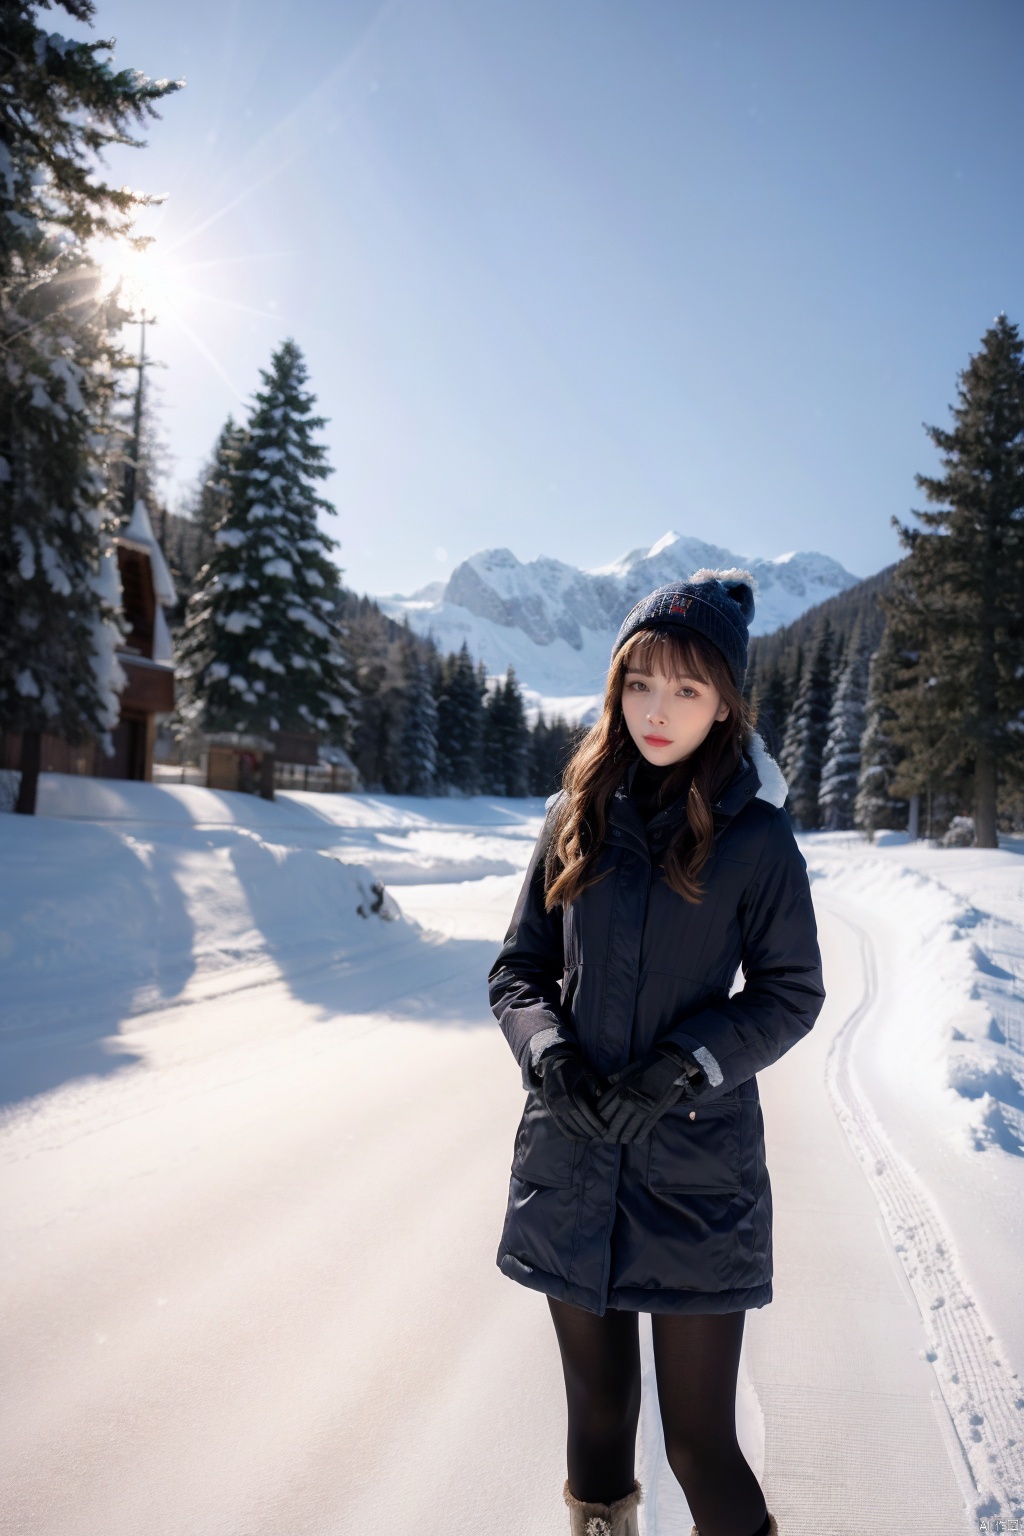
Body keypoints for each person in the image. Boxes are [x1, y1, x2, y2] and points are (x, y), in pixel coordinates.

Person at [489, 571, 825, 1536]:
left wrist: (686, 1064)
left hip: (695, 1175)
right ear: (615, 686)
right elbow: (518, 971)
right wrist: (550, 1057)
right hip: (574, 1156)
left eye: (686, 687)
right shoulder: (574, 816)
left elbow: (790, 992)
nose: (659, 709)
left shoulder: (757, 842)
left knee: (697, 1445)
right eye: (641, 682)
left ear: (726, 701)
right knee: (596, 1418)